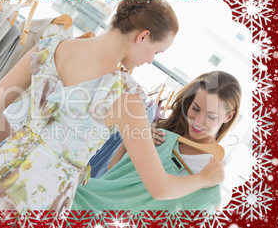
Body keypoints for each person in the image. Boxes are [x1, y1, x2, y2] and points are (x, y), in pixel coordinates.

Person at [0, 0, 224, 214]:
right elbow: (161, 189)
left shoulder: (50, 47)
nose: (150, 60)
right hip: (37, 199)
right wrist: (203, 178)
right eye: (156, 51)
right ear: (143, 36)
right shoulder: (126, 94)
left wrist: (26, 147)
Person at [72, 71, 241, 213]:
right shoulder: (161, 134)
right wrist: (136, 138)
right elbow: (113, 173)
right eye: (195, 108)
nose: (198, 120)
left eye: (211, 116)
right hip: (85, 205)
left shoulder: (209, 174)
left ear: (229, 116)